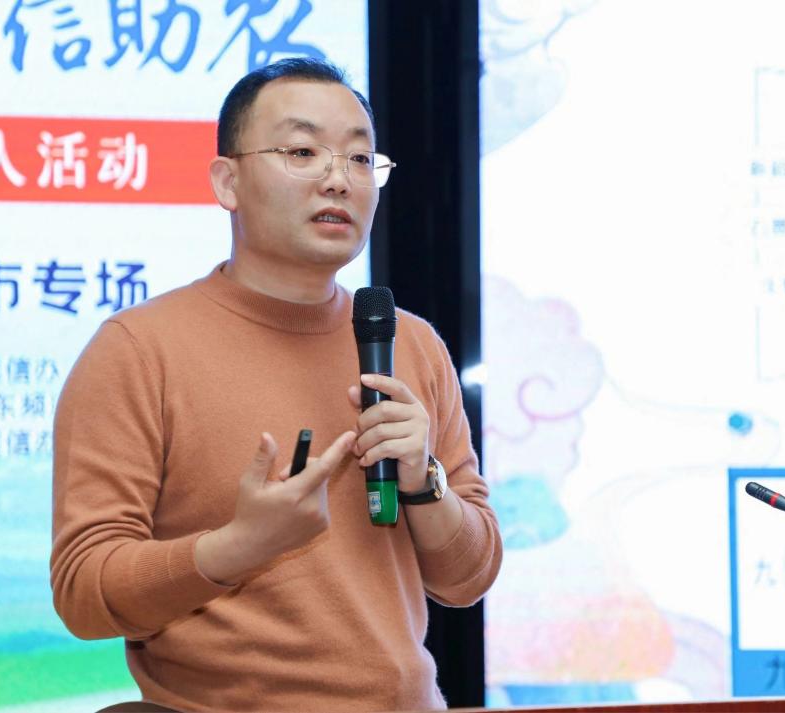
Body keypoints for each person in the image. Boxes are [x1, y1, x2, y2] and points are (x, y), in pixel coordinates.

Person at [50, 57, 502, 712]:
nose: (337, 179)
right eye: (301, 152)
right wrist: (237, 547)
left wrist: (421, 479)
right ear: (227, 181)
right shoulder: (139, 350)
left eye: (359, 159)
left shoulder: (411, 344)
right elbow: (83, 593)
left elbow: (469, 577)